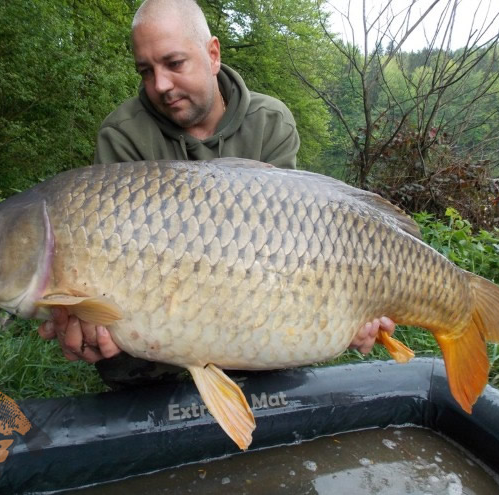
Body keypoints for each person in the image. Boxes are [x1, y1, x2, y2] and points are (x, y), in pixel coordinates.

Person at [38, 0, 396, 387]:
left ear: (212, 54)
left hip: (259, 319)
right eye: (146, 70)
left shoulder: (269, 122)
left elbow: (298, 246)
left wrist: (348, 311)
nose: (160, 84)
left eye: (174, 64)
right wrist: (88, 322)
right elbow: (104, 262)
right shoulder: (123, 135)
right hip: (154, 346)